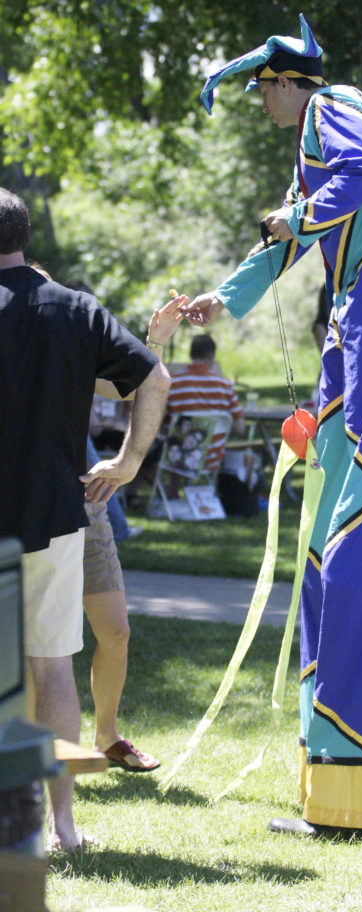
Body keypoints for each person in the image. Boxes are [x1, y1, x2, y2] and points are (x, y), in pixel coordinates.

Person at [185, 13, 362, 834]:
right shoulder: (316, 148)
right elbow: (296, 231)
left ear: (283, 82)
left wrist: (294, 219)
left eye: (262, 90)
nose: (261, 105)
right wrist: (221, 300)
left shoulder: (333, 105)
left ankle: (361, 778)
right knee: (342, 523)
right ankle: (343, 777)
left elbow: (361, 177)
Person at [0, 188, 175, 850]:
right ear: (23, 238)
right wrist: (129, 463)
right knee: (52, 669)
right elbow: (152, 378)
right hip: (54, 516)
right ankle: (63, 825)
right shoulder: (74, 309)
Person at [83, 300, 186, 773]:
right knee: (34, 645)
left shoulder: (67, 338)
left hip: (84, 499)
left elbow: (133, 386)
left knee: (116, 632)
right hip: (24, 505)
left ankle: (107, 736)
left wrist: (156, 341)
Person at [166, 333, 245, 472]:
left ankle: (169, 491)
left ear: (191, 354)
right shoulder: (225, 385)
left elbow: (163, 421)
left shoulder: (173, 383)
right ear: (211, 355)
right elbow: (240, 429)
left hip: (177, 456)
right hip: (212, 458)